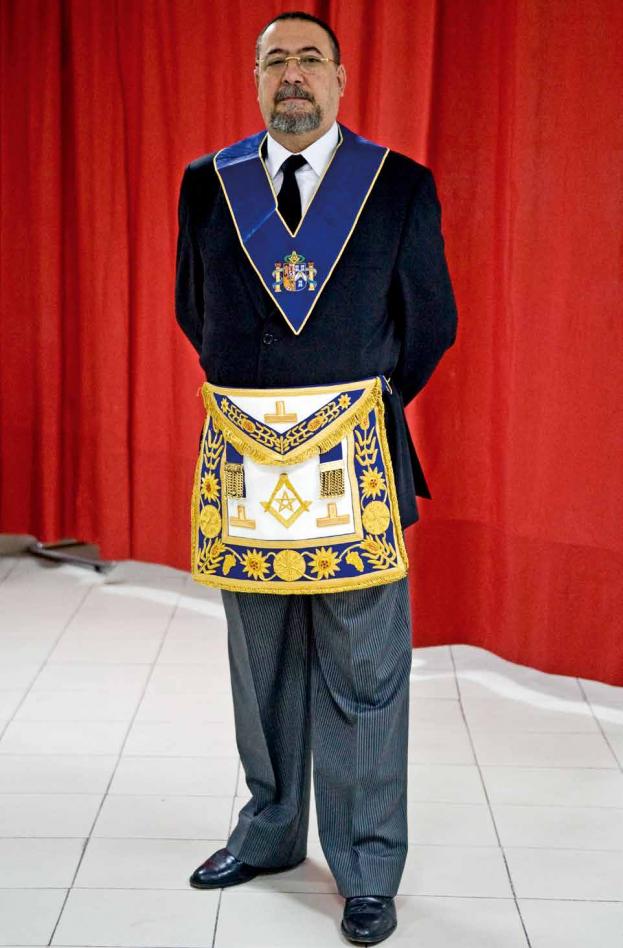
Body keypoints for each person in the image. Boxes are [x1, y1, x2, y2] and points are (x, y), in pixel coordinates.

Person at [175, 11, 457, 945]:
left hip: (351, 458)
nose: (290, 76)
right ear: (255, 80)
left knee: (363, 669)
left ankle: (366, 865)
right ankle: (267, 832)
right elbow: (192, 307)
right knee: (259, 661)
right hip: (243, 458)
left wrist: (349, 403)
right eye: (274, 62)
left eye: (308, 60)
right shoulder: (207, 185)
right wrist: (264, 402)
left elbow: (430, 321)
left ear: (339, 78)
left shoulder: (397, 185)